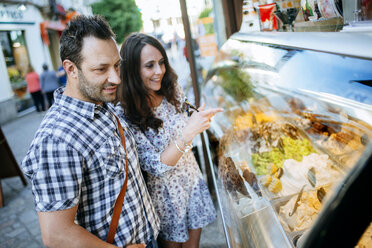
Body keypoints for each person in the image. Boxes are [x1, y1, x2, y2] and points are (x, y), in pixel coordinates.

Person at [21, 16, 159, 248]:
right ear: (71, 69)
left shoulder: (100, 102)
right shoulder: (56, 139)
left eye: (116, 65)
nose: (115, 78)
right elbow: (57, 235)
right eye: (101, 69)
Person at [117, 32, 223, 248]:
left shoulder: (171, 89)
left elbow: (186, 126)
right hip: (164, 200)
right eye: (150, 65)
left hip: (192, 183)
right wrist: (189, 131)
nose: (159, 71)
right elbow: (156, 166)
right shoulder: (124, 112)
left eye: (162, 62)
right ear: (132, 71)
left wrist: (198, 119)